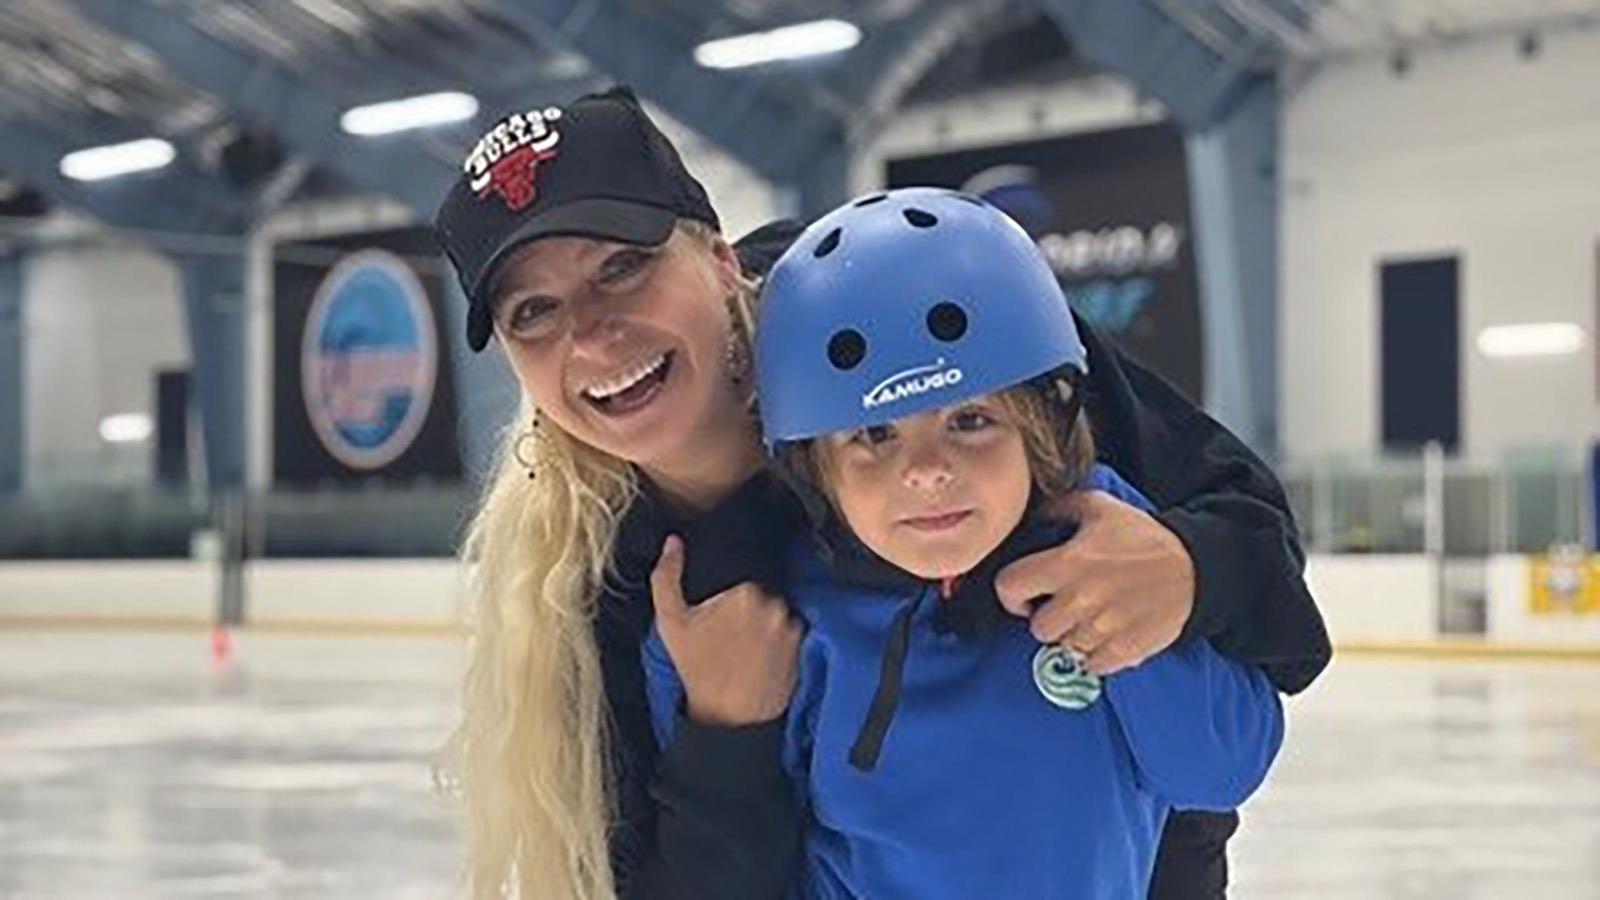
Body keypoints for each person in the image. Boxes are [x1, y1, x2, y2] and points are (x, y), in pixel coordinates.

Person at [430, 86, 1330, 900]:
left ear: (714, 257)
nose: (591, 335)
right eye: (532, 313)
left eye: (621, 267)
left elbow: (1263, 587)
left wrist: (1187, 573)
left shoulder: (910, 310)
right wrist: (726, 738)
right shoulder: (616, 584)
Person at [643, 187, 1285, 897]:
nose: (925, 472)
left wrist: (1130, 637)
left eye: (970, 420)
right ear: (812, 467)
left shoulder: (1103, 546)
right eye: (873, 435)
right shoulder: (782, 616)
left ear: (1041, 425)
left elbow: (1220, 768)